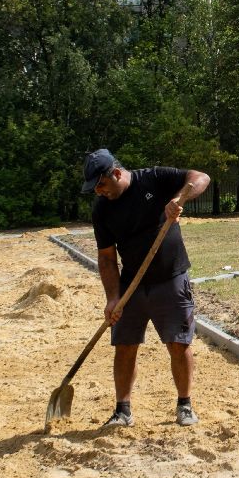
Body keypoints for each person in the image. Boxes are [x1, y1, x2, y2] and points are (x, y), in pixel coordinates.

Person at [81, 149, 211, 428]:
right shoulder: (101, 209)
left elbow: (201, 177)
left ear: (116, 173)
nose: (99, 192)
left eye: (101, 185)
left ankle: (184, 405)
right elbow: (106, 258)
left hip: (170, 278)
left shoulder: (153, 179)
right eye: (94, 189)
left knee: (178, 343)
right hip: (132, 284)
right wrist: (113, 298)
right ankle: (122, 410)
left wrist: (179, 198)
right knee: (124, 345)